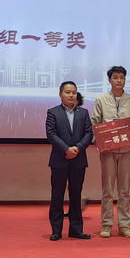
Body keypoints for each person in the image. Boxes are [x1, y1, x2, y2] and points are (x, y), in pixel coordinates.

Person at [91, 66, 130, 239]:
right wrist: (100, 140)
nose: (119, 80)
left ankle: (124, 225)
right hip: (108, 151)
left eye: (122, 77)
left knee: (124, 190)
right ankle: (106, 224)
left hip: (126, 150)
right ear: (109, 80)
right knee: (107, 190)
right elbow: (95, 123)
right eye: (115, 77)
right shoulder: (101, 99)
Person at [46, 81, 94, 241]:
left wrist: (77, 148)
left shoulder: (83, 113)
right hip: (59, 160)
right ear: (60, 94)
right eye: (67, 92)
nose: (71, 95)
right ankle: (56, 230)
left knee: (76, 195)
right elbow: (51, 134)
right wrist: (66, 149)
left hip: (78, 160)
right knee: (57, 196)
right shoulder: (53, 112)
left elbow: (89, 133)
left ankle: (76, 230)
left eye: (73, 92)